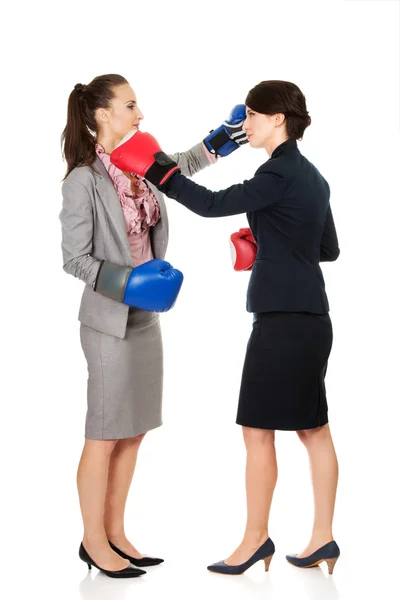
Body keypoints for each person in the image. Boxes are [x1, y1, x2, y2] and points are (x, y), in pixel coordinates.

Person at [107, 80, 341, 576]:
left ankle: (255, 540)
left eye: (254, 115)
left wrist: (157, 169)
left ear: (278, 119)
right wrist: (267, 240)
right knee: (313, 429)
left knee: (257, 430)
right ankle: (323, 539)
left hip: (281, 321)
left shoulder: (276, 173)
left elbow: (211, 204)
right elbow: (327, 249)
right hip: (312, 318)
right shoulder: (314, 177)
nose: (247, 123)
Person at [59, 73, 247, 578]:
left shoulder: (137, 161)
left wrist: (222, 139)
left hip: (146, 316)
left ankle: (116, 533)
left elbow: (180, 167)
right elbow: (73, 258)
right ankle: (92, 541)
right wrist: (127, 282)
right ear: (102, 114)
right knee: (103, 433)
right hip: (109, 320)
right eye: (130, 105)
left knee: (134, 430)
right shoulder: (83, 180)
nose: (140, 114)